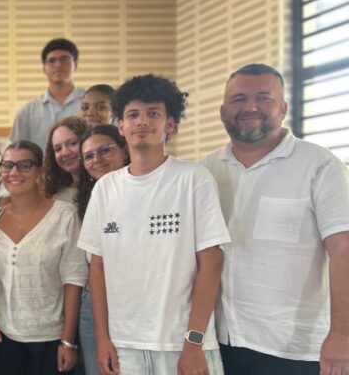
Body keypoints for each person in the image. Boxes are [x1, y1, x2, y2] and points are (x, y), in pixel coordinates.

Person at [200, 63, 349, 375]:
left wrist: (342, 333)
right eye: (239, 99)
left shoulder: (320, 166)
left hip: (293, 349)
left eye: (264, 98)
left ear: (283, 107)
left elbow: (343, 250)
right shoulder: (204, 171)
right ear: (223, 111)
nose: (251, 107)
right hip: (218, 341)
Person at [77, 75, 228, 375]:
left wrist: (194, 342)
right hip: (124, 345)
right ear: (121, 126)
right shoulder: (105, 188)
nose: (142, 121)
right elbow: (98, 268)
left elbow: (211, 263)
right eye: (133, 114)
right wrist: (102, 339)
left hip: (182, 344)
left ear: (170, 124)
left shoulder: (193, 179)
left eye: (153, 113)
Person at [0, 140, 86, 375]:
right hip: (0, 336)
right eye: (7, 165)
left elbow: (74, 280)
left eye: (24, 165)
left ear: (40, 170)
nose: (14, 172)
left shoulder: (65, 215)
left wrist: (68, 341)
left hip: (50, 338)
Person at [73, 124, 128, 375]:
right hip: (95, 299)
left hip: (136, 298)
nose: (97, 159)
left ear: (124, 151)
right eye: (89, 156)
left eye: (105, 150)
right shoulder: (89, 197)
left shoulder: (147, 188)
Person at [9, 38, 85, 152]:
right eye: (52, 60)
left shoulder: (91, 104)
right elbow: (17, 151)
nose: (58, 65)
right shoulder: (27, 112)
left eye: (64, 59)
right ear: (44, 68)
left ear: (76, 64)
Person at [44, 117, 90, 203]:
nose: (65, 153)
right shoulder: (57, 196)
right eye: (58, 149)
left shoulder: (105, 185)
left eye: (73, 143)